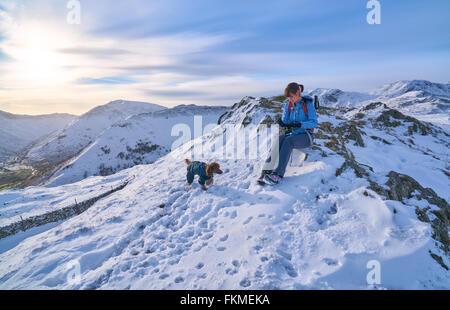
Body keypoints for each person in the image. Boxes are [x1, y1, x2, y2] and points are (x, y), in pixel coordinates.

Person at [259, 82, 317, 185]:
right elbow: (285, 121)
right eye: (288, 97)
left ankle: (278, 174)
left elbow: (314, 123)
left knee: (288, 141)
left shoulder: (307, 104)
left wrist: (300, 125)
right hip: (293, 133)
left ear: (298, 92)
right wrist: (282, 122)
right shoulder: (289, 105)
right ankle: (266, 171)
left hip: (306, 135)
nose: (290, 99)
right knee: (280, 138)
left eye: (292, 96)